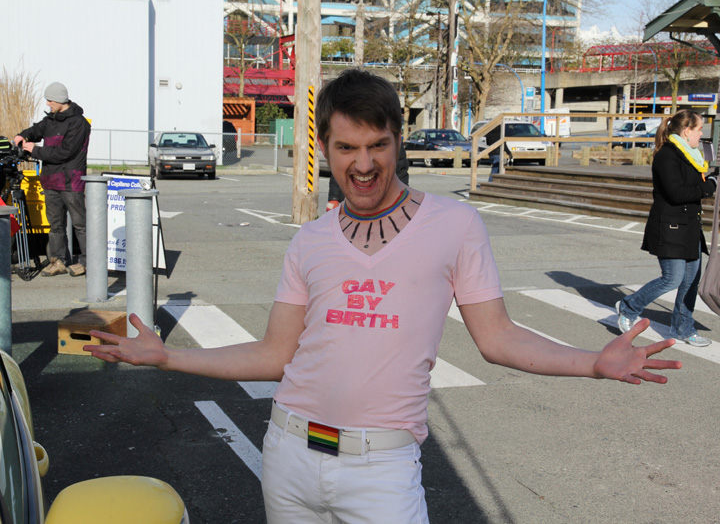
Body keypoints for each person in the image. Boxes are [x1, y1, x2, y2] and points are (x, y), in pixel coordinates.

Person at [85, 69, 681, 523]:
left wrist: (592, 363)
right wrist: (168, 356)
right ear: (325, 150)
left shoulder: (455, 225)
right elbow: (274, 355)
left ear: (399, 141)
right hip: (288, 454)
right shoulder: (310, 240)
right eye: (347, 148)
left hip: (383, 469)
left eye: (378, 145)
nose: (364, 164)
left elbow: (498, 338)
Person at [616, 109, 718, 347]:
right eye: (699, 129)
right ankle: (628, 306)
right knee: (672, 279)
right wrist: (710, 186)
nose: (702, 134)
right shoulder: (667, 155)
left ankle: (683, 328)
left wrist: (712, 177)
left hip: (690, 227)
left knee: (690, 281)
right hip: (670, 227)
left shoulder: (692, 155)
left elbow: (693, 186)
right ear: (687, 131)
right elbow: (676, 193)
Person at [14, 82, 90, 277]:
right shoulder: (51, 119)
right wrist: (22, 136)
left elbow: (65, 152)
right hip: (50, 180)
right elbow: (36, 129)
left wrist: (35, 150)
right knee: (55, 224)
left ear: (60, 100)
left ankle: (88, 261)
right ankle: (58, 261)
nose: (48, 104)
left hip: (71, 181)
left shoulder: (79, 123)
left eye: (50, 100)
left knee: (80, 224)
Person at [326, 144, 409, 211]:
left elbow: (400, 170)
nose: (364, 168)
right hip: (347, 205)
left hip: (385, 204)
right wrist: (334, 198)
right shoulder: (347, 135)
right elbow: (338, 168)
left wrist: (401, 197)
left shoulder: (390, 138)